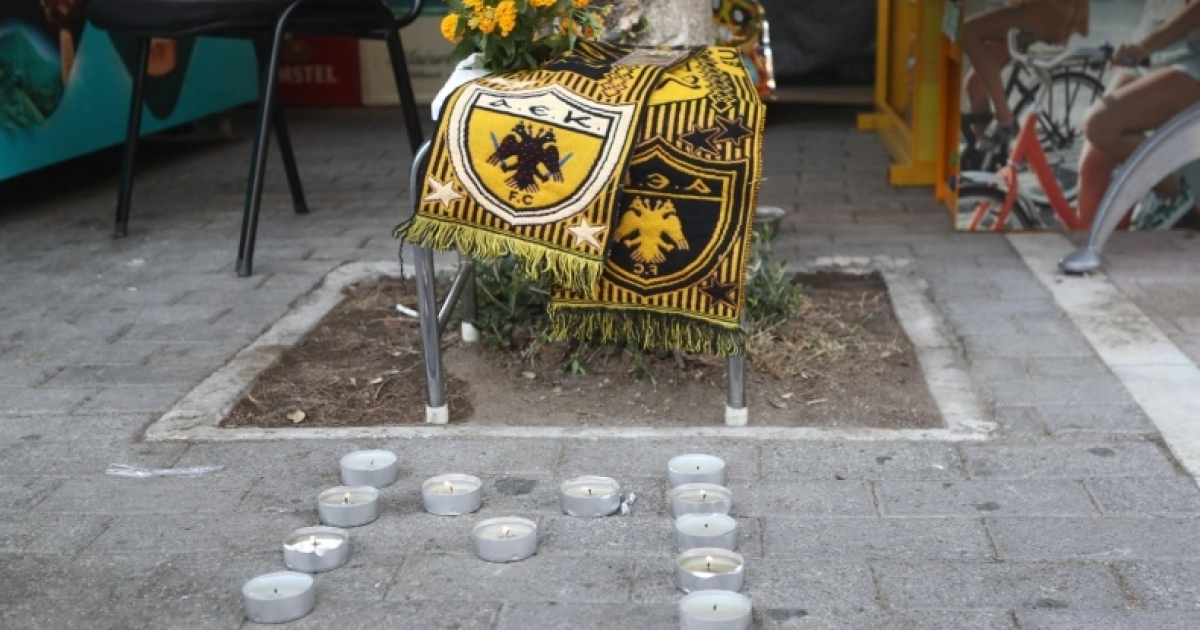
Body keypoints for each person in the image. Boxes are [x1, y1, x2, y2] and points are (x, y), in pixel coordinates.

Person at [1076, 0, 1200, 229]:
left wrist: (1144, 45)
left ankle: (1175, 194)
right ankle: (1092, 243)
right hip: (1149, 52)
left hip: (1191, 56)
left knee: (1100, 125)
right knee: (1093, 162)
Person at [962, 0, 1090, 144]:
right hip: (1028, 10)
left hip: (1048, 12)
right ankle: (982, 153)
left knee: (968, 31)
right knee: (976, 86)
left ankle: (1005, 118)